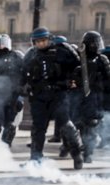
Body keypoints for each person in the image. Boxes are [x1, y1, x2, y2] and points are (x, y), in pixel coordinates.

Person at [23, 27, 83, 169]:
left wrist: (73, 82)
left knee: (66, 124)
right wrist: (21, 88)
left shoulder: (62, 51)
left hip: (59, 94)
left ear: (49, 39)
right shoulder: (31, 55)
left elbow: (79, 68)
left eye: (43, 40)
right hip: (38, 97)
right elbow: (23, 74)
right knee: (38, 128)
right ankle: (35, 158)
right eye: (37, 41)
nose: (41, 44)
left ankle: (77, 154)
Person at [68, 31, 110, 163]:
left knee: (91, 125)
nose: (96, 46)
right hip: (78, 97)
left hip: (95, 97)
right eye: (94, 43)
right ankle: (77, 150)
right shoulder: (78, 59)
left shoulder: (102, 60)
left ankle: (88, 153)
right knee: (77, 125)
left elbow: (108, 79)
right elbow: (69, 77)